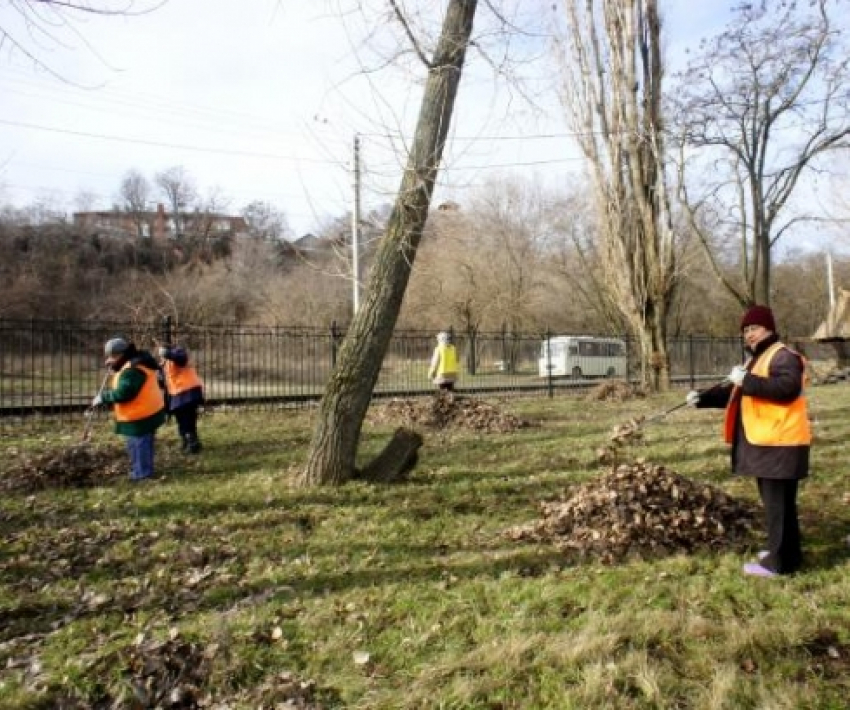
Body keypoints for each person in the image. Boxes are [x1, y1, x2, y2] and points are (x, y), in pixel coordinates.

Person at [686, 305, 811, 577]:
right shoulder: (757, 359)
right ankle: (788, 555)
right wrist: (702, 399)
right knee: (780, 505)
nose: (749, 334)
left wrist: (748, 380)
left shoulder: (782, 356)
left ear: (769, 328)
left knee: (778, 507)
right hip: (769, 444)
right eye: (745, 330)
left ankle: (777, 565)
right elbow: (736, 393)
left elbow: (786, 389)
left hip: (780, 444)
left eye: (754, 328)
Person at [92, 337, 166, 481]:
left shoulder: (133, 370)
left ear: (121, 354)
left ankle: (142, 475)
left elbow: (124, 393)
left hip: (140, 414)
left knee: (139, 446)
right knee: (142, 444)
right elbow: (124, 378)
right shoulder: (134, 362)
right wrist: (115, 367)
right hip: (147, 411)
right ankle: (143, 470)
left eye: (113, 356)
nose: (110, 360)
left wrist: (103, 397)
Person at [158, 343, 205, 454]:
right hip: (178, 395)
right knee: (182, 420)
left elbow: (181, 359)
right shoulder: (165, 363)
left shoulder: (178, 352)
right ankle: (188, 441)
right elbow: (164, 382)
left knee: (187, 419)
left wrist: (167, 353)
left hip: (188, 392)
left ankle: (192, 443)